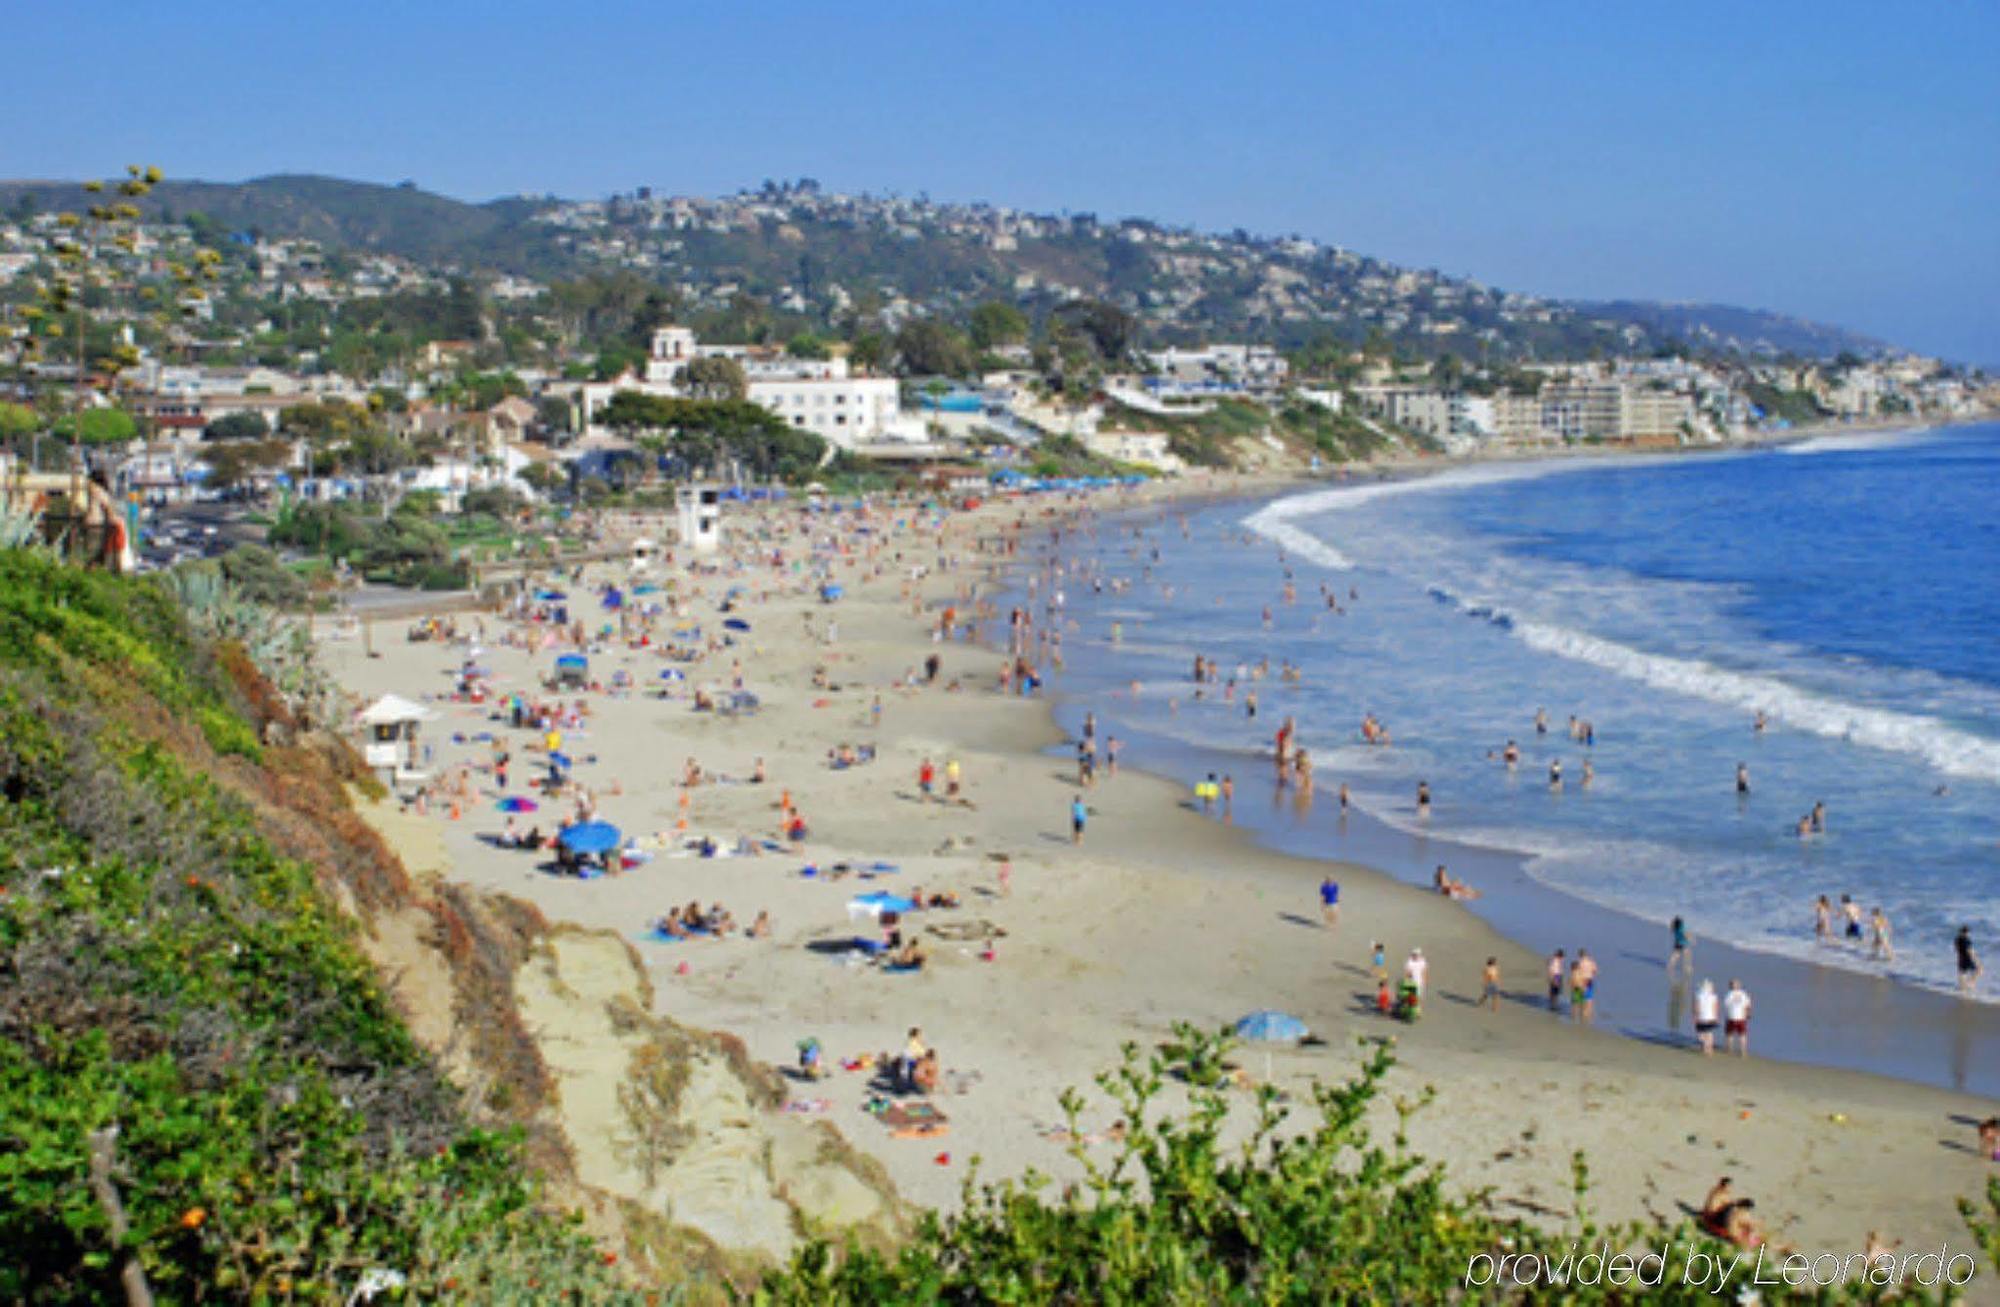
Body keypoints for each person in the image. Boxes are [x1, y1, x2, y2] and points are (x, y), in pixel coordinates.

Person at [1723, 979, 1752, 1056]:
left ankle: (1729, 1049)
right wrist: (1748, 1014)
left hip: (1731, 1016)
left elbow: (1726, 1005)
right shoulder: (1744, 994)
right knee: (1742, 1034)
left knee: (1729, 1034)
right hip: (1741, 1017)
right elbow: (1748, 1005)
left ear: (1730, 986)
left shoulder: (1729, 994)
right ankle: (1743, 1051)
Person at [1693, 978, 1720, 1055]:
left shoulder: (1698, 995)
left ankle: (1706, 1047)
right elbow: (1716, 1007)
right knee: (1709, 1033)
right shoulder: (1713, 996)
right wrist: (1716, 1017)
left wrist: (1695, 1016)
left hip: (1702, 1017)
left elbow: (1696, 1007)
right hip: (1710, 1017)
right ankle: (1709, 1048)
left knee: (1701, 1034)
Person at [1570, 950, 1597, 1024]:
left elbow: (1576, 971)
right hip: (1589, 980)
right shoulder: (1591, 961)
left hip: (1581, 981)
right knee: (1589, 998)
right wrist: (1591, 974)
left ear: (1580, 955)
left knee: (1579, 999)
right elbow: (1595, 971)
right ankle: (1588, 1014)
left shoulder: (1579, 962)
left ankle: (1578, 1014)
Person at [1956, 926, 1982, 995]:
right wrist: (1977, 960)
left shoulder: (1957, 939)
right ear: (1967, 932)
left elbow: (1957, 949)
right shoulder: (1967, 940)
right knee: (1979, 970)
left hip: (1961, 958)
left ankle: (1962, 988)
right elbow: (1970, 951)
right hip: (1968, 958)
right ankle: (1970, 983)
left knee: (1962, 973)